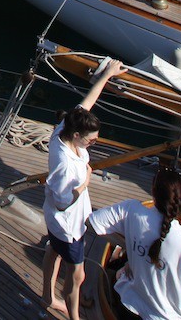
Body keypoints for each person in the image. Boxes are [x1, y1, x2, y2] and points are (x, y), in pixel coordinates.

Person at [40, 59, 127, 320]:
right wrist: (85, 183)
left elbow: (86, 103)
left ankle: (47, 296)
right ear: (77, 136)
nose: (93, 143)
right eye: (91, 141)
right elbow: (62, 201)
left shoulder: (65, 128)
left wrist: (107, 76)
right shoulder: (66, 166)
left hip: (57, 224)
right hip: (68, 225)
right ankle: (74, 317)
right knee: (77, 275)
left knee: (53, 252)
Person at [86, 166, 181, 320]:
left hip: (130, 307)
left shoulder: (131, 210)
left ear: (153, 195)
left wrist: (128, 247)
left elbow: (92, 222)